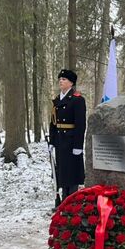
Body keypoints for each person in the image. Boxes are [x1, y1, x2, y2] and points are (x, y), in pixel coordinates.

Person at [49, 69, 86, 203]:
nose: (61, 81)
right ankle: (64, 199)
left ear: (71, 83)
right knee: (62, 172)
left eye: (64, 79)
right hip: (60, 140)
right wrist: (52, 141)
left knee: (72, 172)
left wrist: (78, 145)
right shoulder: (57, 100)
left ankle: (72, 200)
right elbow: (53, 122)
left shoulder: (77, 100)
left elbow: (80, 125)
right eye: (60, 79)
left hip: (71, 140)